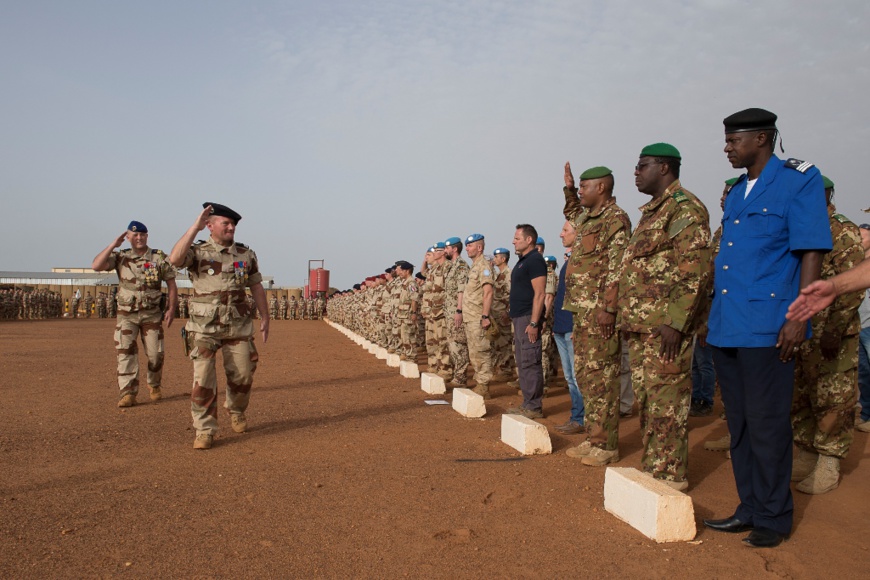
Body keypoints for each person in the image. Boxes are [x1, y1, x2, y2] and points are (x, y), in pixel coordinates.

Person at [705, 108, 832, 549]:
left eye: (733, 140)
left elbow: (811, 250)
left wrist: (799, 316)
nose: (726, 147)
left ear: (761, 138)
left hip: (768, 326)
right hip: (727, 326)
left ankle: (774, 518)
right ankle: (750, 507)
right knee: (738, 424)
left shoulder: (799, 180)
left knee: (768, 424)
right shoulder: (738, 192)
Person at [618, 143, 711, 490]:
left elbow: (695, 272)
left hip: (665, 329)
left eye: (643, 166)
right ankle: (655, 466)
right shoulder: (653, 212)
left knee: (667, 402)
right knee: (648, 401)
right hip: (643, 327)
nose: (636, 172)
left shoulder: (684, 209)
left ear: (665, 168)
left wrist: (675, 322)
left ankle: (670, 476)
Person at [169, 203, 269, 450]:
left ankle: (236, 409)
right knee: (203, 378)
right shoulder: (198, 252)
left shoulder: (246, 254)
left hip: (238, 324)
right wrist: (195, 226)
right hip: (204, 326)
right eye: (226, 223)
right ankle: (204, 429)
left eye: (233, 224)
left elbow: (256, 285)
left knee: (243, 374)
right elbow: (175, 259)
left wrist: (265, 316)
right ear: (210, 226)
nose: (231, 227)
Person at [790, 175, 863, 495]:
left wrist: (834, 328)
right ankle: (806, 451)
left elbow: (852, 285)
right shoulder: (802, 229)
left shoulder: (842, 230)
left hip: (833, 333)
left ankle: (830, 460)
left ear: (826, 196)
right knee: (803, 393)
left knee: (834, 396)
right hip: (802, 330)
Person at [562, 164, 631, 465]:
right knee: (587, 378)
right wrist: (568, 187)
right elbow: (571, 211)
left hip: (600, 313)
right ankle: (593, 438)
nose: (580, 193)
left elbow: (619, 268)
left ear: (601, 188)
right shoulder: (588, 219)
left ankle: (606, 445)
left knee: (603, 378)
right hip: (583, 312)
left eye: (584, 187)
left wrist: (608, 308)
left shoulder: (615, 220)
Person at [92, 220, 178, 407]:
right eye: (135, 235)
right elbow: (96, 266)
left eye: (142, 235)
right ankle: (128, 393)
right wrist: (113, 245)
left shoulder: (158, 258)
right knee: (126, 353)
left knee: (156, 355)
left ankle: (154, 384)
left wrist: (172, 308)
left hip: (151, 315)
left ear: (147, 236)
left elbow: (171, 282)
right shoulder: (121, 257)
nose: (139, 238)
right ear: (128, 237)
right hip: (127, 314)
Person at [506, 224, 548, 419]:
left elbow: (539, 294)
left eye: (517, 238)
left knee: (531, 361)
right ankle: (527, 403)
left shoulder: (535, 261)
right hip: (519, 317)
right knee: (523, 362)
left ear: (528, 240)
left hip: (527, 318)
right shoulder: (523, 261)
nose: (514, 241)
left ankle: (534, 406)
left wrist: (534, 322)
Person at [552, 219, 585, 436]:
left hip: (572, 327)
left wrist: (577, 327)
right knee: (569, 377)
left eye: (565, 230)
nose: (561, 234)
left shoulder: (582, 260)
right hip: (561, 327)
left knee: (577, 376)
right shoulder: (570, 259)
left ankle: (581, 419)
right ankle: (576, 417)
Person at [462, 233, 495, 398]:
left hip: (478, 317)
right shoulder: (474, 266)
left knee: (481, 350)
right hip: (470, 317)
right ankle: (480, 382)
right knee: (474, 352)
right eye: (467, 246)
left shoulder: (484, 266)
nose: (467, 248)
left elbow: (488, 292)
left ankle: (483, 385)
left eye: (470, 245)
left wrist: (485, 316)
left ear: (479, 247)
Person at [444, 237, 471, 387]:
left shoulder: (461, 266)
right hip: (450, 312)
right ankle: (457, 375)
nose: (445, 251)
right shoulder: (451, 266)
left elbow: (462, 290)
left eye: (447, 248)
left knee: (459, 345)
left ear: (454, 249)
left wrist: (459, 310)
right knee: (452, 345)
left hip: (456, 312)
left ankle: (461, 377)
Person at [490, 247, 516, 380]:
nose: (494, 259)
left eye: (496, 257)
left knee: (505, 342)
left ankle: (506, 370)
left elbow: (511, 295)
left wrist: (507, 312)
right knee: (497, 343)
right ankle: (501, 367)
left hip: (503, 313)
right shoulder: (497, 275)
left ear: (503, 259)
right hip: (495, 313)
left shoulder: (508, 274)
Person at [857, 224, 870, 433]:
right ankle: (866, 414)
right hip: (856, 325)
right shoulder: (853, 263)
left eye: (862, 236)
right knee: (863, 373)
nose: (858, 239)